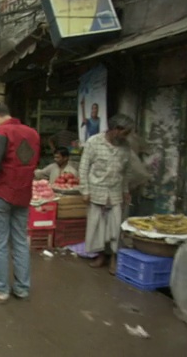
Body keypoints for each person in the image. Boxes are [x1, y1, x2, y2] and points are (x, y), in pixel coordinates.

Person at [0, 102, 40, 304]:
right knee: (20, 242)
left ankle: (0, 290)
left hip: (2, 193)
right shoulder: (32, 133)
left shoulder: (1, 132)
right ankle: (22, 289)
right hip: (23, 194)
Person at [79, 114, 133, 274]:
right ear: (116, 130)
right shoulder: (93, 142)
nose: (126, 136)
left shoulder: (125, 146)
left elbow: (126, 172)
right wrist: (85, 191)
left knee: (115, 227)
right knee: (97, 227)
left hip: (115, 192)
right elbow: (84, 168)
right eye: (125, 132)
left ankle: (114, 258)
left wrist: (125, 191)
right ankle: (100, 255)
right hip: (97, 191)